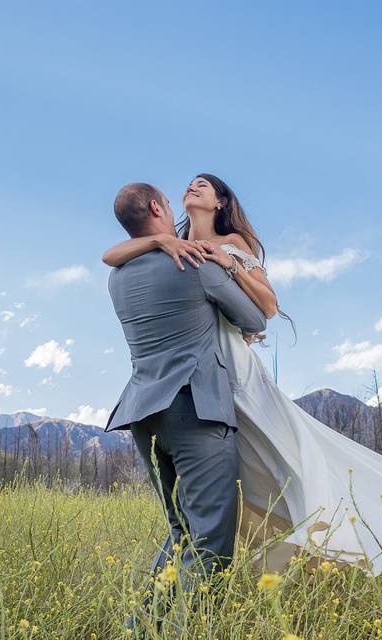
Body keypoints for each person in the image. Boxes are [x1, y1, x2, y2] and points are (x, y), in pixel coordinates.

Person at [104, 174, 382, 578]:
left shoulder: (203, 254)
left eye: (201, 186)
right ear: (158, 211)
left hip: (202, 382)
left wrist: (228, 266)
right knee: (211, 517)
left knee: (282, 459)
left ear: (222, 202)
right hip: (202, 388)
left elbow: (267, 308)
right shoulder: (183, 255)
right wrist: (164, 242)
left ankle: (317, 521)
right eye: (185, 188)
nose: (188, 191)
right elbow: (116, 252)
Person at [104, 182, 266, 630]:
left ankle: (143, 628)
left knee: (181, 533)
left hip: (142, 413)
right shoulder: (192, 262)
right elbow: (255, 318)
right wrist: (226, 268)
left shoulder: (117, 277)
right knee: (211, 540)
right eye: (168, 203)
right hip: (196, 409)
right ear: (157, 208)